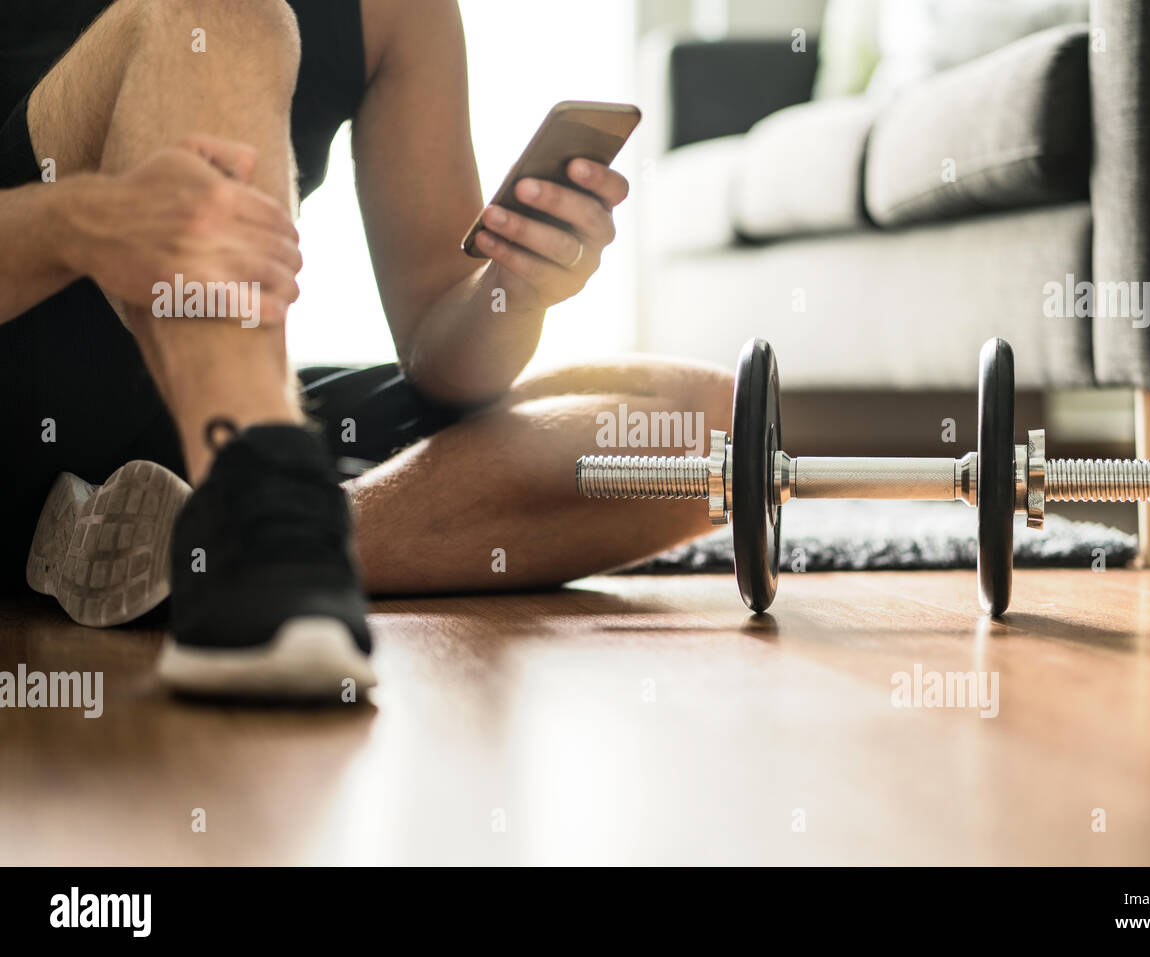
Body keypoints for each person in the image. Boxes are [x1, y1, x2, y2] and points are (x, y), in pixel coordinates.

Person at [0, 0, 731, 696]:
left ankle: (221, 538)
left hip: (176, 430)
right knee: (218, 13)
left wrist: (514, 285)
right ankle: (258, 531)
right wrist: (79, 222)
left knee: (709, 430)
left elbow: (443, 363)